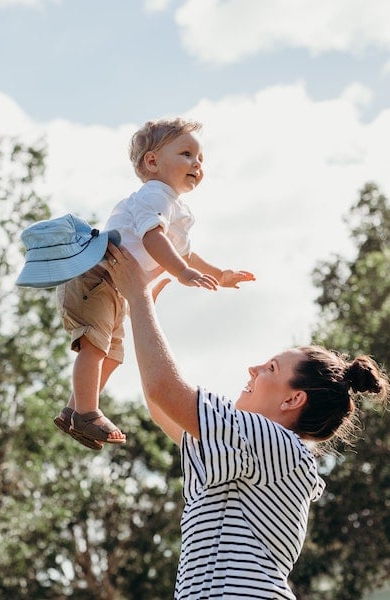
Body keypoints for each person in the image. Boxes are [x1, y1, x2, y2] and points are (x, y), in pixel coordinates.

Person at [103, 243, 390, 599]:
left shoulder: (276, 443)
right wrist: (139, 309)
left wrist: (139, 295)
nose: (252, 369)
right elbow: (161, 407)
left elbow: (166, 391)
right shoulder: (254, 448)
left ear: (292, 399)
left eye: (270, 368)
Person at [54, 117, 255, 450]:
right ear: (152, 161)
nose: (197, 164)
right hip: (96, 275)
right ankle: (87, 412)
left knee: (114, 355)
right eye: (187, 154)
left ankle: (75, 410)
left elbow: (186, 254)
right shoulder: (154, 195)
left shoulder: (177, 208)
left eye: (201, 159)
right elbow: (153, 239)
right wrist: (180, 272)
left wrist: (220, 275)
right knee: (95, 346)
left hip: (116, 287)